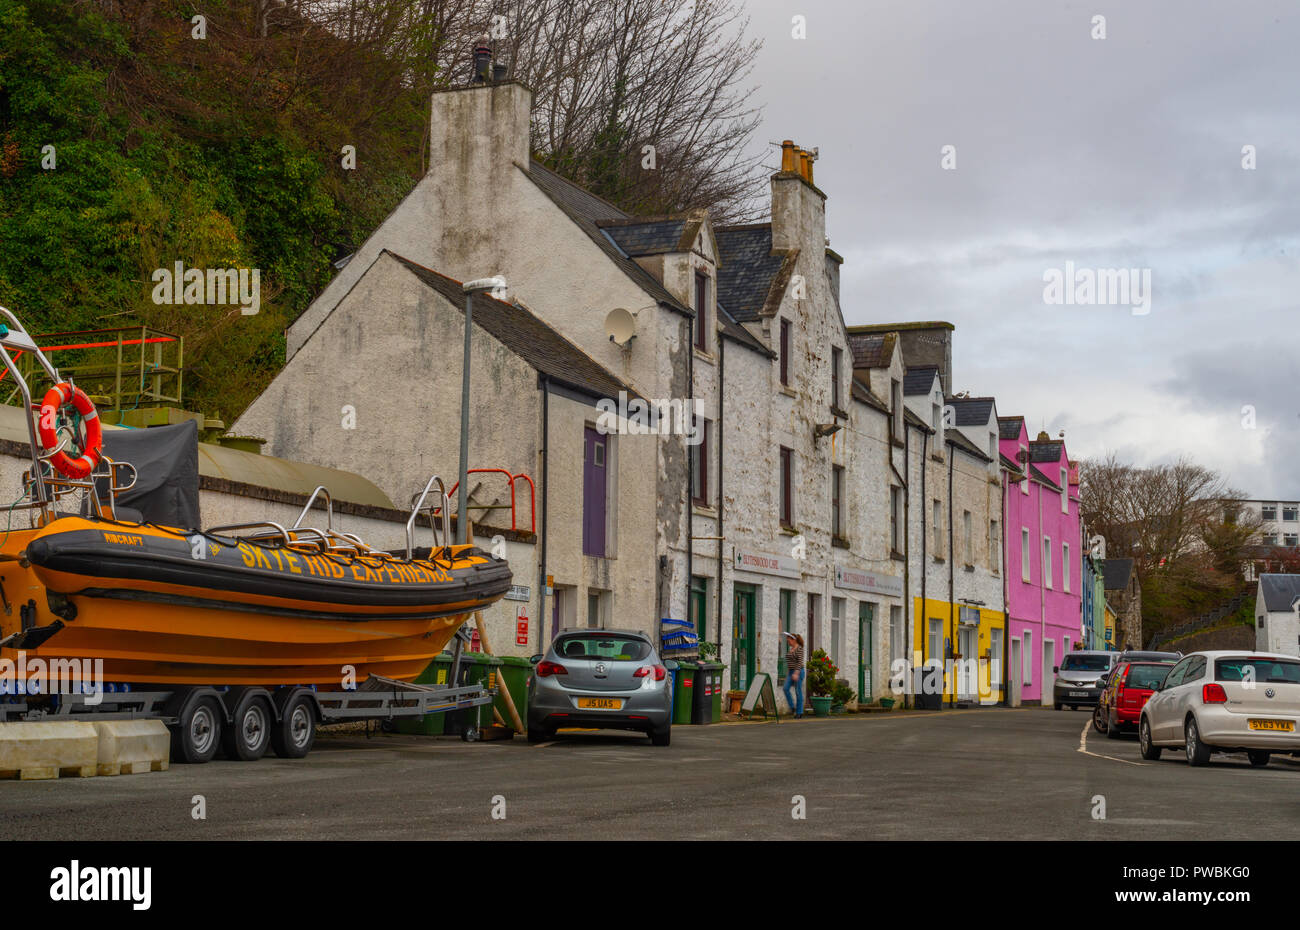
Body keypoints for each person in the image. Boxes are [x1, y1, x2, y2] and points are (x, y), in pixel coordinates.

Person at [782, 632, 805, 718]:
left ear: (794, 640)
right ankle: (792, 707)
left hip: (798, 672)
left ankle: (799, 712)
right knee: (785, 688)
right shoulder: (791, 649)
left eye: (789, 640)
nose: (788, 642)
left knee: (798, 692)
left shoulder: (799, 649)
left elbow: (799, 662)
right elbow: (789, 663)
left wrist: (796, 673)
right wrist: (788, 674)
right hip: (791, 672)